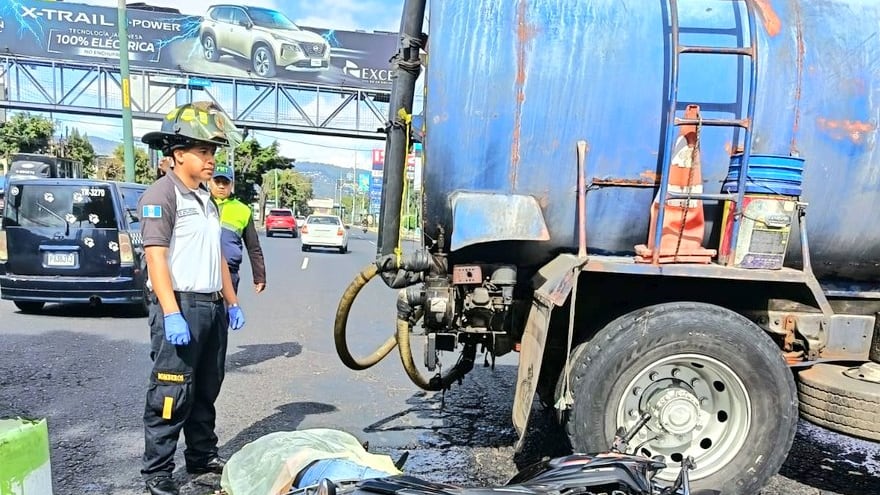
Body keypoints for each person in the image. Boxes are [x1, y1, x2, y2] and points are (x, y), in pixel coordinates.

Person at [137, 101, 246, 495]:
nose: (210, 160)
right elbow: (156, 257)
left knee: (206, 386)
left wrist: (231, 301)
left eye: (213, 152)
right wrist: (170, 312)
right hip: (180, 305)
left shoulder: (206, 199)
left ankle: (201, 457)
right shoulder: (162, 194)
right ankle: (158, 471)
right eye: (203, 152)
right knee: (172, 388)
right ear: (178, 154)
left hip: (211, 304)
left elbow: (216, 256)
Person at [209, 163, 266, 294]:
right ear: (209, 182)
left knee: (227, 312)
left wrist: (259, 277)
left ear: (231, 185)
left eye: (225, 182)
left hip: (229, 272)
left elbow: (253, 247)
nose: (221, 186)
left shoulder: (243, 210)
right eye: (217, 181)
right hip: (201, 270)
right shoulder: (200, 203)